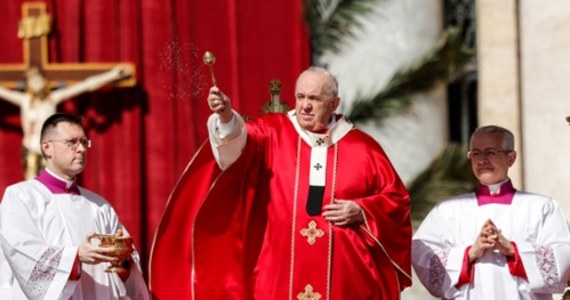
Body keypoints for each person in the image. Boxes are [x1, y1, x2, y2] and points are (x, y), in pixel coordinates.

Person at [150, 67, 412, 299]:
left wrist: (362, 210)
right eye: (301, 97)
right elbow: (238, 143)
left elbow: (397, 201)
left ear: (334, 103)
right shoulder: (272, 132)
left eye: (315, 98)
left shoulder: (363, 148)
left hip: (345, 280)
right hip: (280, 270)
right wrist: (228, 117)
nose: (305, 106)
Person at [0, 113, 149, 299]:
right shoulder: (21, 197)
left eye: (84, 142)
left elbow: (127, 270)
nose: (81, 149)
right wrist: (75, 256)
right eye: (72, 142)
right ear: (47, 148)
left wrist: (124, 260)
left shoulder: (100, 206)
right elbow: (23, 255)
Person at [412, 125, 570, 299]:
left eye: (490, 152)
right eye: (476, 153)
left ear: (511, 158)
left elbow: (563, 257)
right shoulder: (447, 210)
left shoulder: (542, 207)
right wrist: (470, 253)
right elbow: (422, 255)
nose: (482, 160)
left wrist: (513, 250)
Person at [0, 65, 131, 179]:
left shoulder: (52, 99)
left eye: (38, 79)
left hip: (50, 148)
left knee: (51, 183)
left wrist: (111, 75)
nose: (36, 83)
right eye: (32, 80)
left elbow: (85, 86)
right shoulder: (25, 101)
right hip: (31, 147)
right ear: (28, 83)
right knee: (30, 183)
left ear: (44, 81)